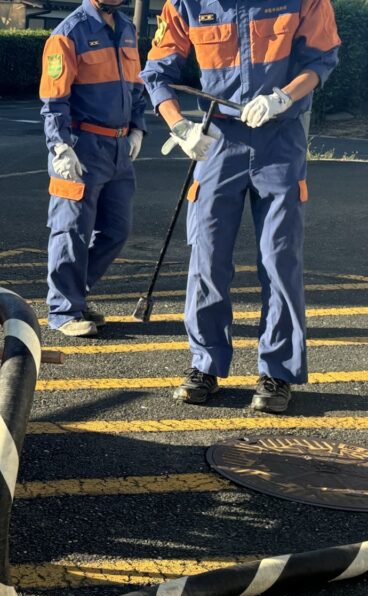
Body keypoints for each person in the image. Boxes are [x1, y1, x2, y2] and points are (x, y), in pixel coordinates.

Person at [141, 0, 340, 412]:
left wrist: (282, 98)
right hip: (217, 141)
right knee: (207, 256)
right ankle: (205, 364)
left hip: (280, 140)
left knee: (280, 258)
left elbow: (321, 60)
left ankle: (278, 372)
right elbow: (157, 71)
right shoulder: (187, 3)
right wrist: (179, 125)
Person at [39, 0, 148, 337]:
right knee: (71, 231)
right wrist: (60, 145)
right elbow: (53, 99)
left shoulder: (127, 29)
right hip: (81, 147)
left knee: (117, 230)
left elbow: (136, 87)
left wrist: (138, 127)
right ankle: (63, 310)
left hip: (118, 148)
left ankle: (74, 294)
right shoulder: (68, 34)